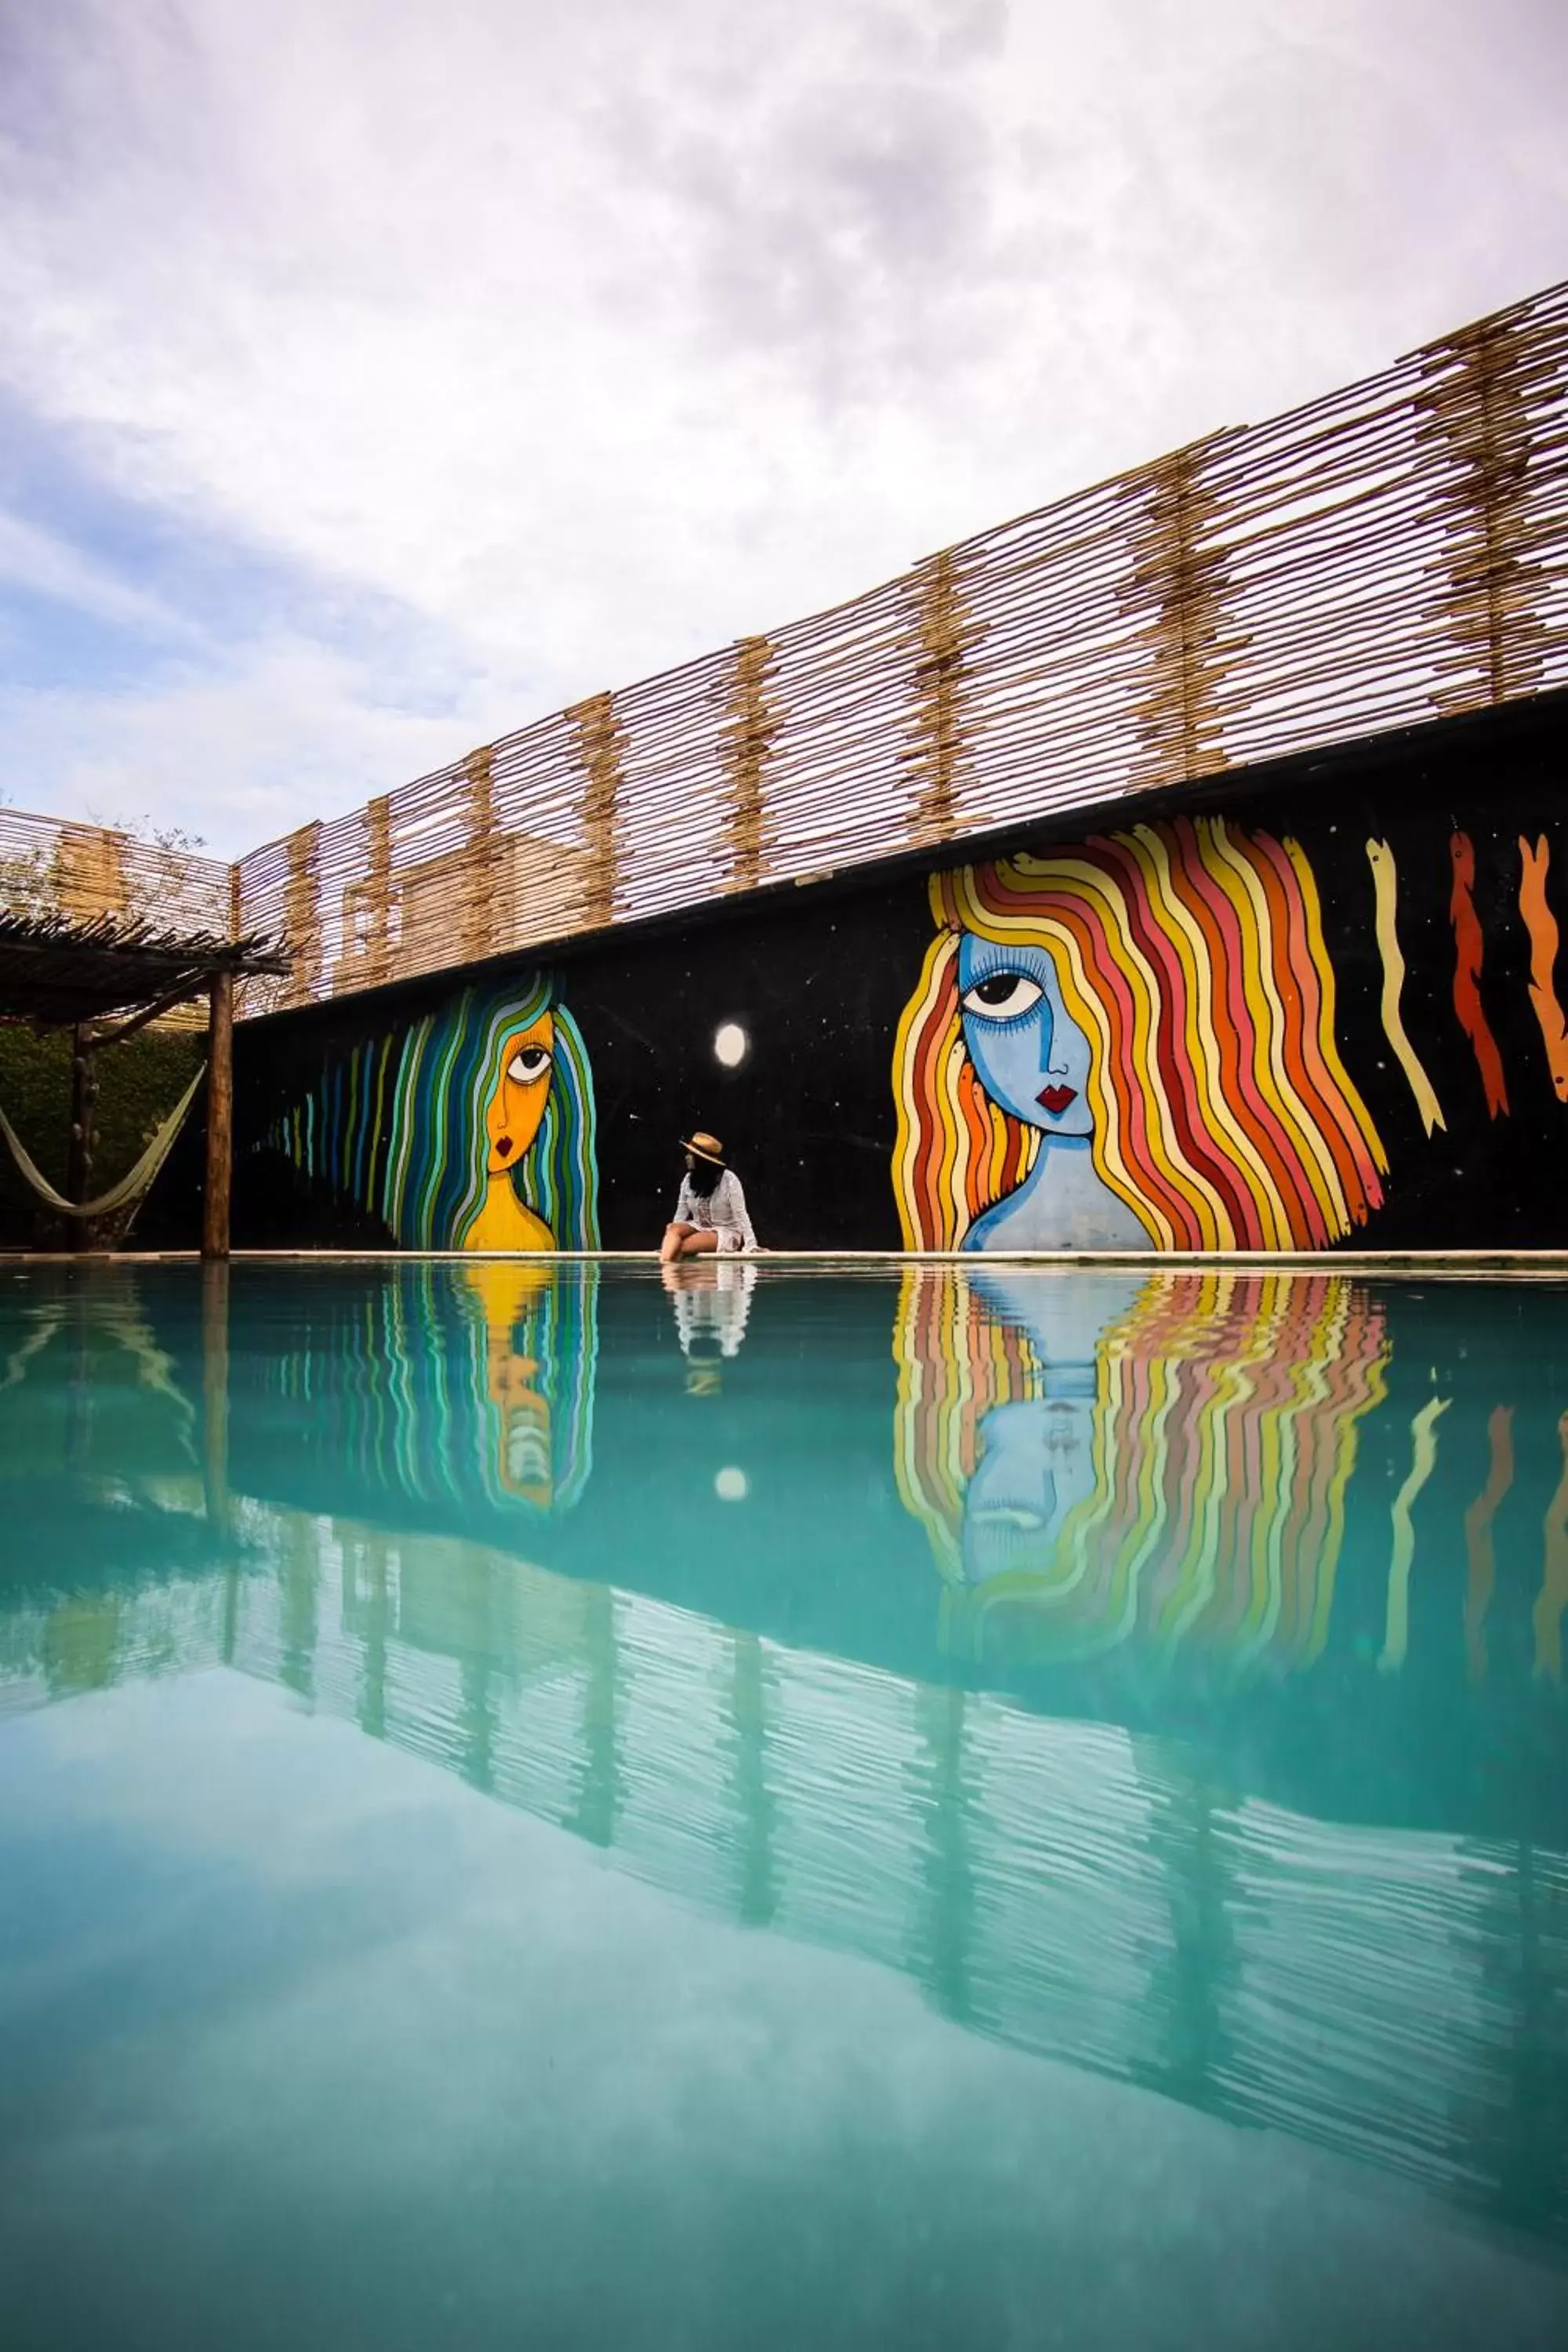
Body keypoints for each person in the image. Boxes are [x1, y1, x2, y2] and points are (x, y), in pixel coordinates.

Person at [660, 1131, 758, 1261]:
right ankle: (665, 1271)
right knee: (672, 1229)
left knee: (683, 1246)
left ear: (701, 1160)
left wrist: (751, 1244)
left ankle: (670, 1275)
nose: (687, 1157)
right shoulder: (688, 1179)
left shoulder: (729, 1180)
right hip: (699, 1226)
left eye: (691, 1154)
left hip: (726, 1231)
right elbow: (681, 1213)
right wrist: (669, 1243)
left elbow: (741, 1214)